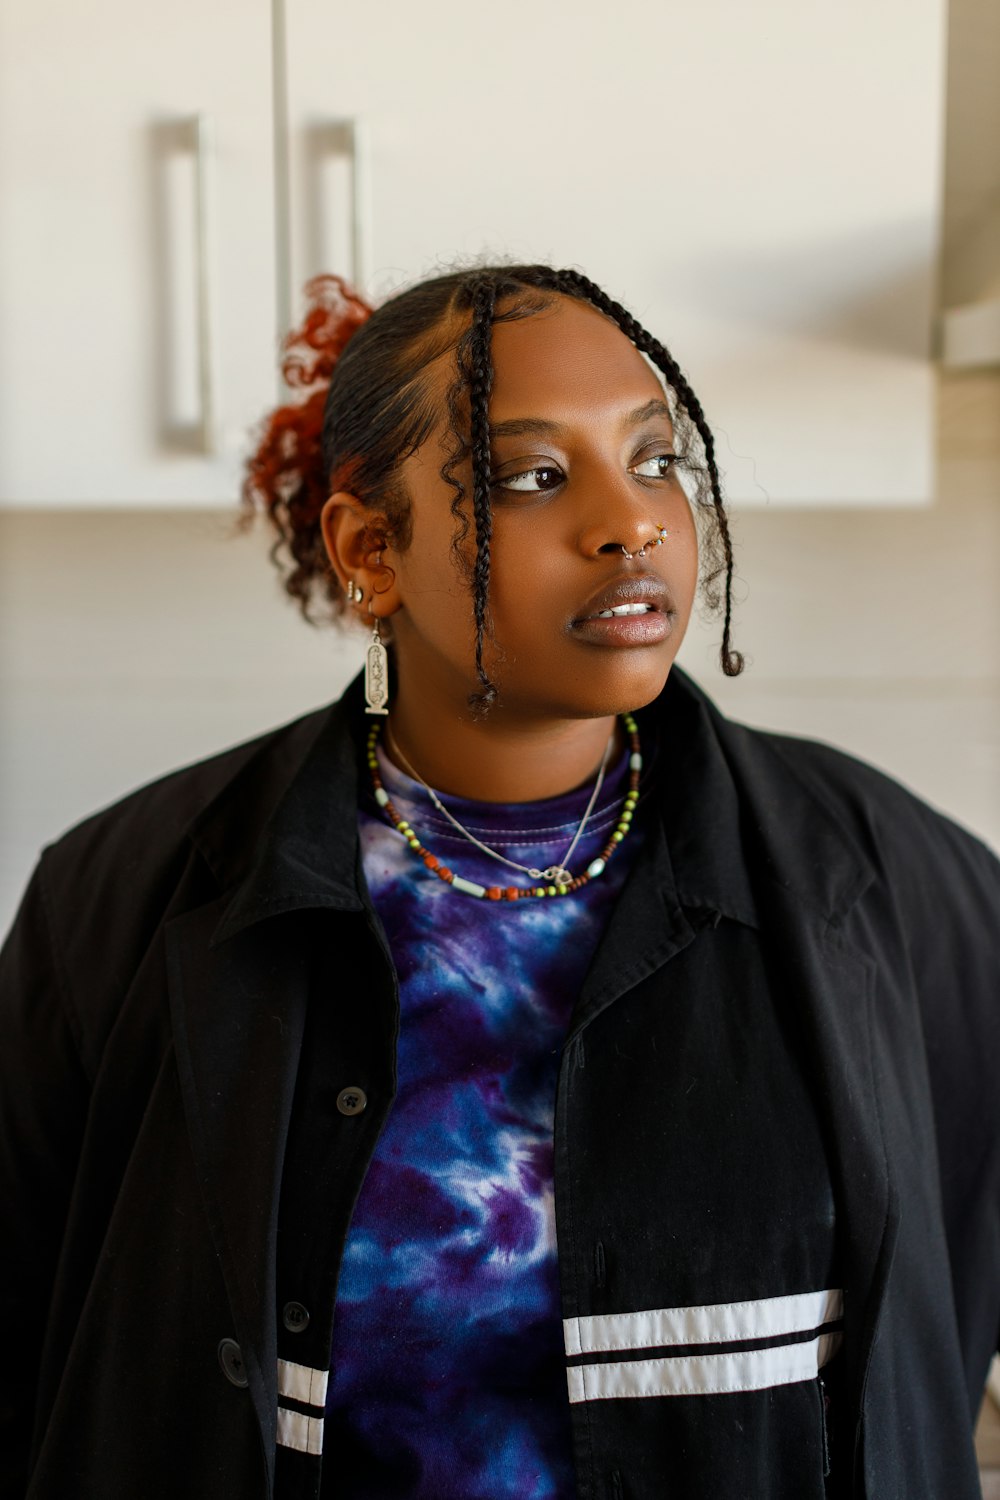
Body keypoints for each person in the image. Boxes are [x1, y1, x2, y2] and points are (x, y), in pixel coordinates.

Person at [0, 262, 997, 1500]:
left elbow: (935, 1337)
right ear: (371, 547)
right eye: (533, 475)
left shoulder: (901, 886)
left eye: (654, 460)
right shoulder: (118, 902)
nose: (629, 522)